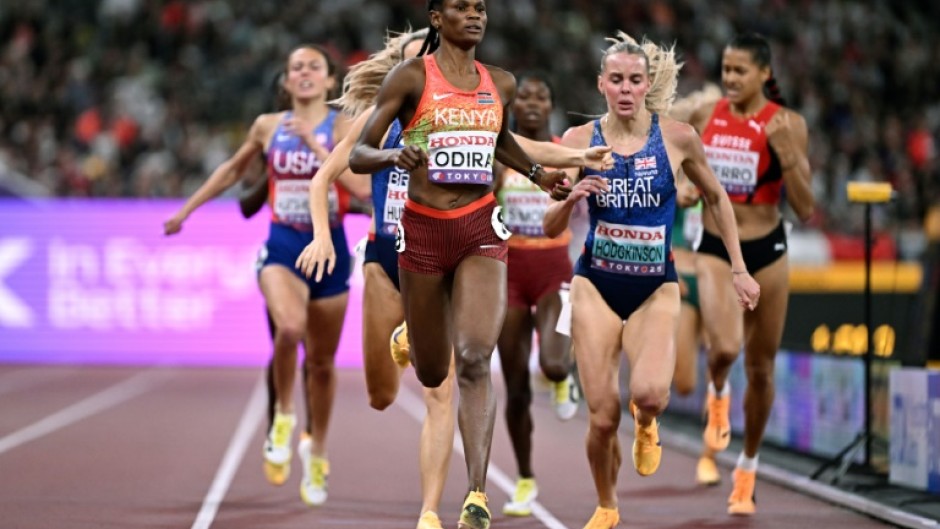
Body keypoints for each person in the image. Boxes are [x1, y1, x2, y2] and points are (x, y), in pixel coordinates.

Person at [295, 24, 610, 528]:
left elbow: (515, 143)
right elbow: (328, 176)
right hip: (387, 253)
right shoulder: (373, 123)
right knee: (383, 394)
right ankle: (411, 339)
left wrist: (574, 156)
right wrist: (319, 234)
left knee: (452, 378)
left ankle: (435, 510)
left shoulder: (458, 108)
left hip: (459, 242)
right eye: (410, 57)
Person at [541, 32, 761, 529]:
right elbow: (549, 226)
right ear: (601, 84)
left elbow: (716, 198)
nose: (624, 88)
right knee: (600, 416)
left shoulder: (678, 138)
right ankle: (607, 504)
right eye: (615, 79)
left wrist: (739, 268)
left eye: (634, 80)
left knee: (650, 394)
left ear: (647, 85)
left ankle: (647, 423)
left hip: (655, 285)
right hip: (594, 283)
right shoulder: (578, 142)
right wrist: (574, 197)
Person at [163, 44, 361, 506]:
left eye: (315, 66)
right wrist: (186, 210)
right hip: (283, 247)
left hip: (330, 252)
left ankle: (319, 454)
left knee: (323, 365)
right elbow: (232, 170)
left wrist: (318, 148)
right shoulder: (267, 126)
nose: (306, 73)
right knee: (289, 328)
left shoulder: (345, 126)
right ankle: (284, 418)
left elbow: (355, 186)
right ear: (288, 81)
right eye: (298, 67)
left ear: (331, 82)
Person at [684, 32, 813, 515]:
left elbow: (805, 206)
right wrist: (683, 187)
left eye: (740, 70)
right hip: (718, 245)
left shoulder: (787, 124)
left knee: (760, 368)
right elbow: (684, 169)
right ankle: (717, 393)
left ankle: (747, 468)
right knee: (724, 348)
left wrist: (789, 156)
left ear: (765, 73)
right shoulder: (705, 117)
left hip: (770, 246)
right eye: (726, 69)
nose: (730, 78)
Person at [492, 71, 579, 517]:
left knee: (554, 363)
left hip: (554, 271)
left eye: (539, 97)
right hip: (509, 273)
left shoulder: (567, 151)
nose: (529, 103)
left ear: (550, 106)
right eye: (522, 96)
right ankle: (525, 479)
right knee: (518, 390)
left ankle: (566, 380)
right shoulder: (500, 152)